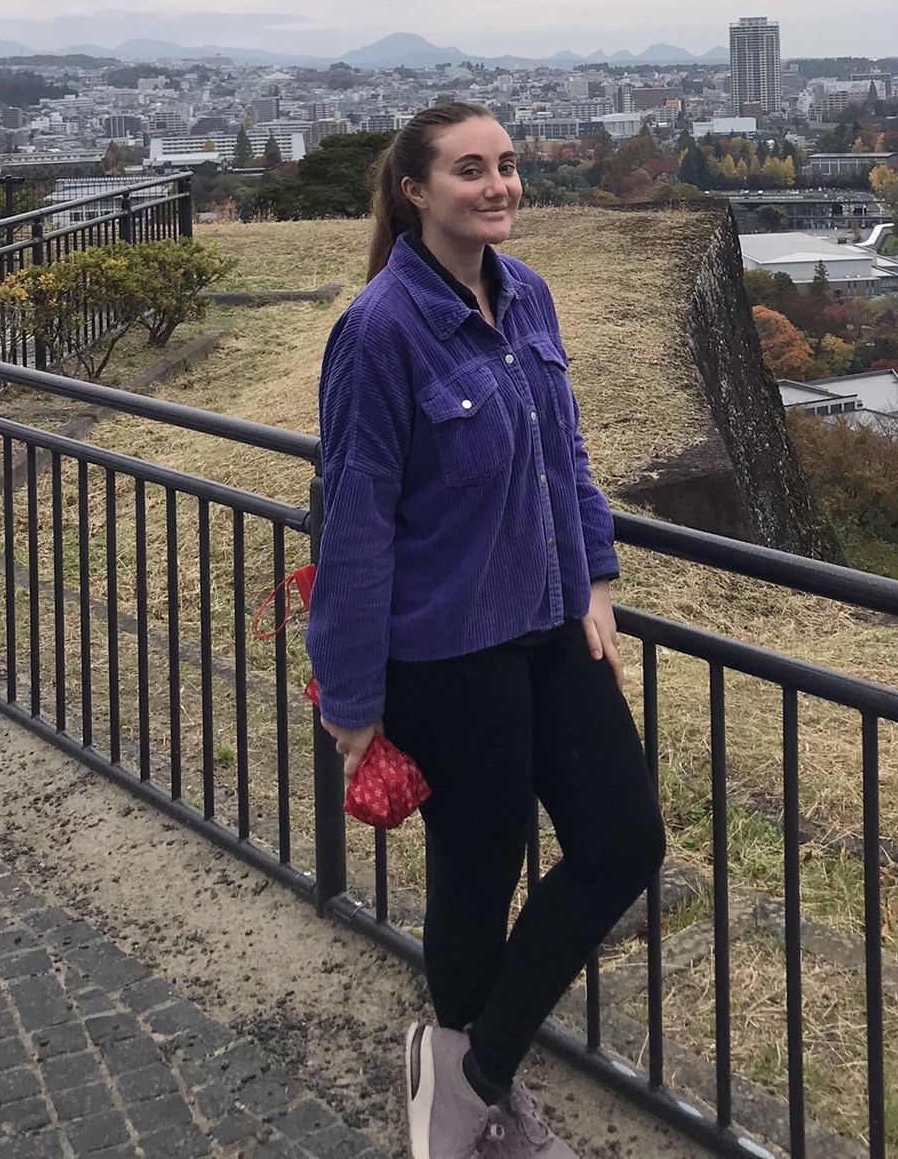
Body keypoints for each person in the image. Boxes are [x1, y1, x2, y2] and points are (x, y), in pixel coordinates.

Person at [304, 102, 666, 1159]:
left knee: (622, 838)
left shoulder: (529, 295)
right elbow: (357, 517)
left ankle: (468, 1072)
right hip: (447, 648)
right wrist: (354, 697)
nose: (499, 185)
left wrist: (596, 574)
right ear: (416, 190)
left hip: (550, 620)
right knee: (481, 867)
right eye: (472, 169)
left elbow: (569, 455)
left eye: (507, 166)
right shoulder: (379, 329)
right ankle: (482, 1111)